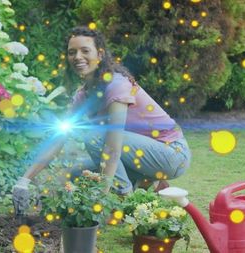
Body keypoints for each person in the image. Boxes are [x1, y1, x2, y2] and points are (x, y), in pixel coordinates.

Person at [12, 26, 191, 213]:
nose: (77, 57)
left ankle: (127, 203)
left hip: (172, 153)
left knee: (95, 137)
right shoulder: (82, 96)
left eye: (85, 50)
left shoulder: (116, 85)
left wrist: (100, 199)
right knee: (78, 172)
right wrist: (23, 181)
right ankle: (147, 183)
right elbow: (58, 139)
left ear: (100, 54)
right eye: (72, 52)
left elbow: (112, 147)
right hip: (142, 155)